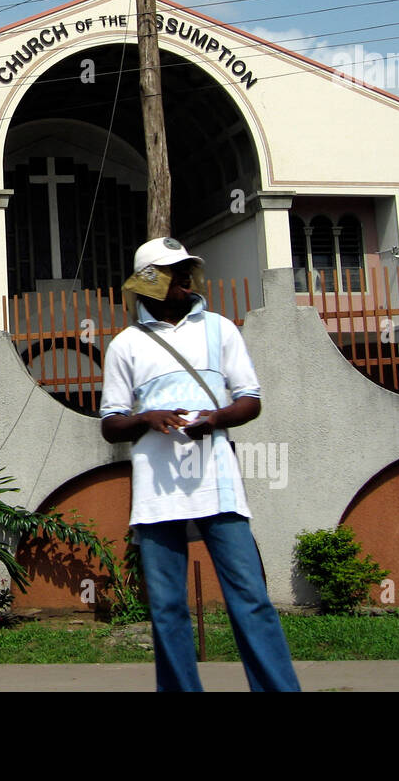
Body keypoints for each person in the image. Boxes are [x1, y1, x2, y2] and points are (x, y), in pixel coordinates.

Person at [99, 236, 300, 692]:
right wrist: (146, 419)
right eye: (173, 270)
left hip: (218, 482)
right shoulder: (125, 345)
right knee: (168, 607)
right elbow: (111, 424)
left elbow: (250, 401)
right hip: (156, 491)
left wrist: (215, 419)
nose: (185, 276)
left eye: (187, 268)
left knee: (249, 598)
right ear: (148, 281)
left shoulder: (221, 329)